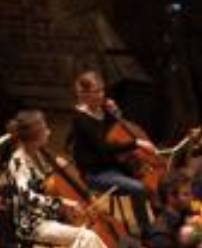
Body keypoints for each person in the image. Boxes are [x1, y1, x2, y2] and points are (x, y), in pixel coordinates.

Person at [5, 111, 118, 248]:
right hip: (33, 223)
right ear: (34, 137)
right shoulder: (18, 162)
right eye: (44, 129)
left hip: (50, 217)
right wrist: (63, 203)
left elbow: (52, 180)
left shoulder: (39, 155)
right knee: (86, 237)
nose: (49, 132)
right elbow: (27, 197)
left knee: (90, 235)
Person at [67, 71, 158, 234]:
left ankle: (158, 220)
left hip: (113, 164)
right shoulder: (79, 119)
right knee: (138, 188)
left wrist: (117, 115)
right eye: (96, 92)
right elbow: (105, 147)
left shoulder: (104, 110)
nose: (101, 95)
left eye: (102, 90)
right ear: (84, 95)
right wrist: (137, 143)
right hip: (96, 173)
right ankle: (147, 231)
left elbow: (118, 132)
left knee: (151, 178)